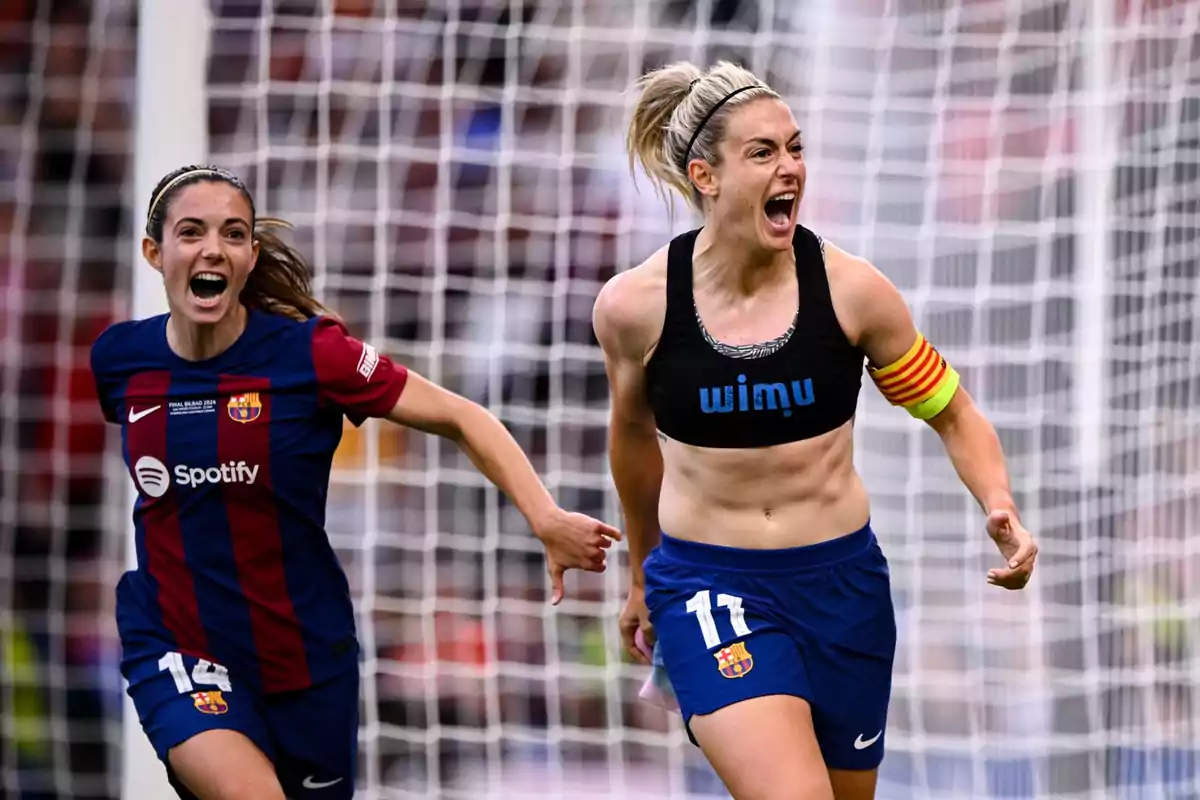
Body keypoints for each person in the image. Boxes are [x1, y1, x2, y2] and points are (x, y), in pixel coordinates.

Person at [90, 164, 621, 800]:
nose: (213, 248)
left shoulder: (310, 355)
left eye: (233, 234)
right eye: (191, 232)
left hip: (305, 657)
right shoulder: (121, 360)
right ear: (156, 252)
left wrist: (546, 518)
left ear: (251, 254)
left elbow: (461, 415)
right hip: (177, 643)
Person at [593, 61, 1038, 800]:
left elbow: (952, 412)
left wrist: (1002, 504)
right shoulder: (634, 307)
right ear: (705, 176)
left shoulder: (853, 292)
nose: (790, 167)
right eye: (762, 152)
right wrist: (642, 571)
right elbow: (634, 441)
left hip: (844, 587)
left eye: (795, 148)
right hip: (710, 588)